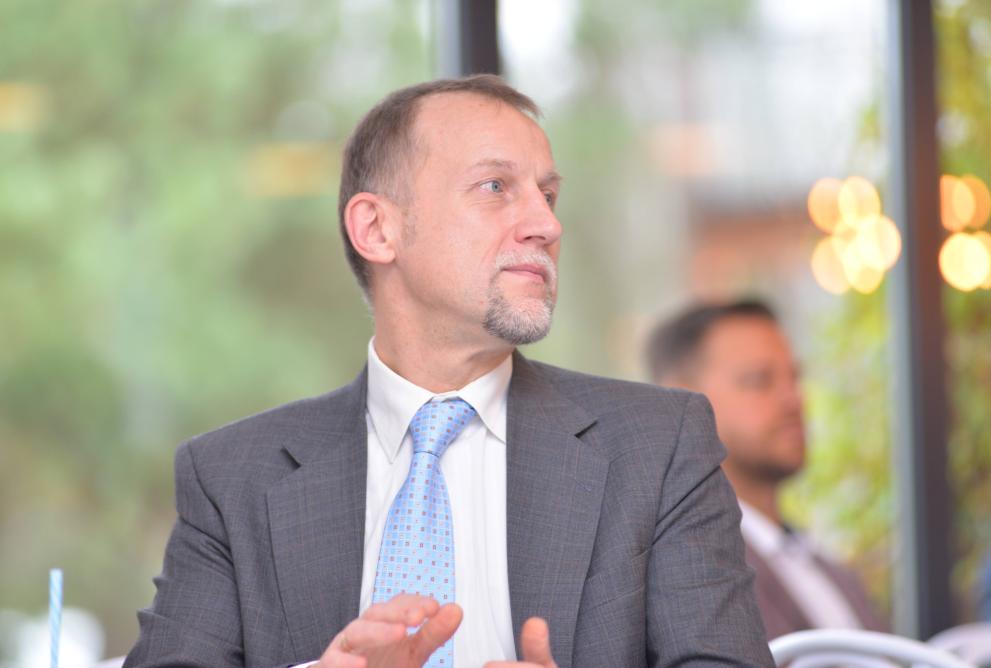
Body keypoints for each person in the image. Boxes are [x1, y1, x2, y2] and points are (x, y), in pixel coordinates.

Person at [125, 76, 773, 668]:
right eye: (496, 187)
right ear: (377, 229)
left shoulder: (658, 447)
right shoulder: (232, 477)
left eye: (548, 195)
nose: (546, 224)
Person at [646, 300, 888, 641]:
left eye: (795, 378)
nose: (794, 399)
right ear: (681, 402)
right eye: (759, 380)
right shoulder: (682, 575)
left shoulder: (831, 570)